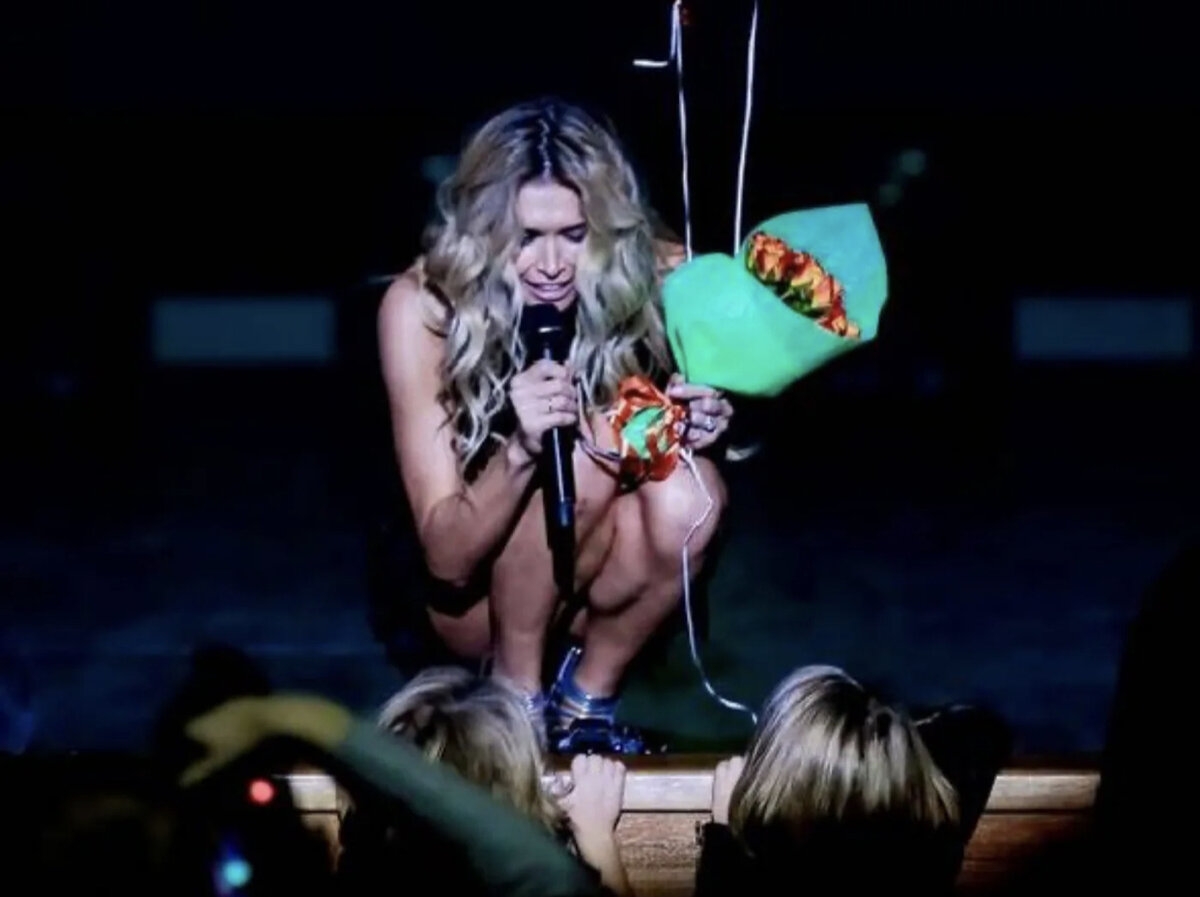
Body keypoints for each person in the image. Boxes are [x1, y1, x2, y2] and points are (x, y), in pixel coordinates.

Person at [377, 97, 733, 753]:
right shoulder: (423, 307)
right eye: (524, 237)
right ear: (484, 231)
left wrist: (708, 419)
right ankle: (515, 700)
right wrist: (519, 450)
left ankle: (584, 704)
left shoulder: (665, 275)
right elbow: (447, 562)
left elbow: (722, 430)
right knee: (586, 445)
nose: (549, 264)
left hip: (599, 584)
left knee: (690, 489)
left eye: (574, 235)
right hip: (470, 604)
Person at [695, 664, 1009, 896]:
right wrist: (882, 749)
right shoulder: (929, 857)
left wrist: (723, 837)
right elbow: (977, 729)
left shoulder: (773, 869)